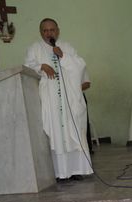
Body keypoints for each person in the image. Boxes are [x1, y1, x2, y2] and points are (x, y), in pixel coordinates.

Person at [24, 18, 93, 182]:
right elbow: (27, 67)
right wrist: (41, 66)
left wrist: (63, 56)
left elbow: (80, 66)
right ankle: (60, 172)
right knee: (56, 133)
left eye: (52, 30)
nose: (49, 33)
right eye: (45, 30)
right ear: (41, 32)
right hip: (50, 99)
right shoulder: (35, 49)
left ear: (58, 30)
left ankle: (76, 169)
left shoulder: (67, 47)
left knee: (73, 131)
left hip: (69, 97)